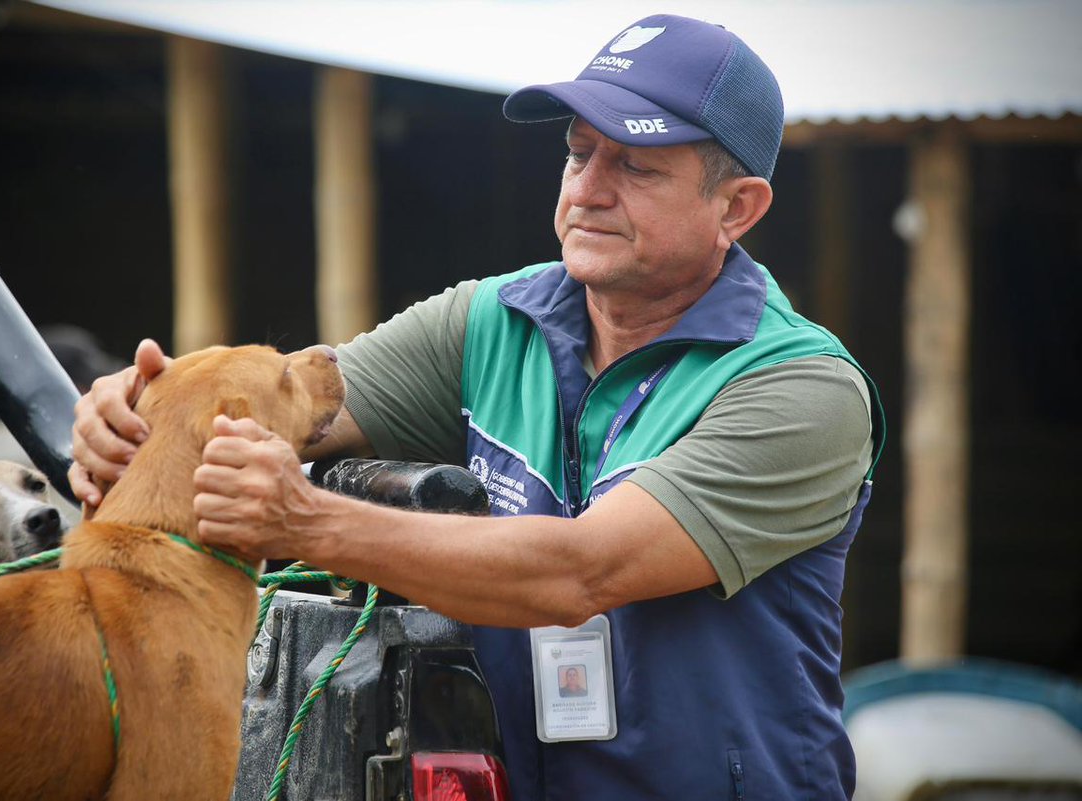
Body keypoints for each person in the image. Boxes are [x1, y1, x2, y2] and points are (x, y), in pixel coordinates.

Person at [70, 14, 882, 799]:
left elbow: (583, 570)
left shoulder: (801, 389)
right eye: (578, 153)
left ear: (736, 208)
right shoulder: (492, 319)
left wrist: (305, 521)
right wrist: (140, 413)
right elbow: (296, 400)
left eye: (636, 167)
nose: (587, 189)